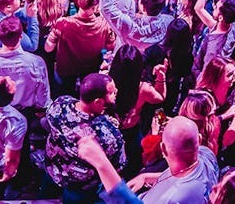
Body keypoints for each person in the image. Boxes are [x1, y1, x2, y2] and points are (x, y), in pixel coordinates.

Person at [45, 73, 125, 204]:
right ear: (98, 102)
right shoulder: (109, 134)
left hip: (52, 169)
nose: (116, 92)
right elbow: (117, 167)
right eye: (112, 92)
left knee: (44, 198)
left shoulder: (59, 104)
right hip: (78, 186)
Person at [128, 116, 219, 203]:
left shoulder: (171, 199)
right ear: (199, 140)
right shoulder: (207, 154)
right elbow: (181, 175)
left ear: (163, 149)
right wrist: (146, 177)